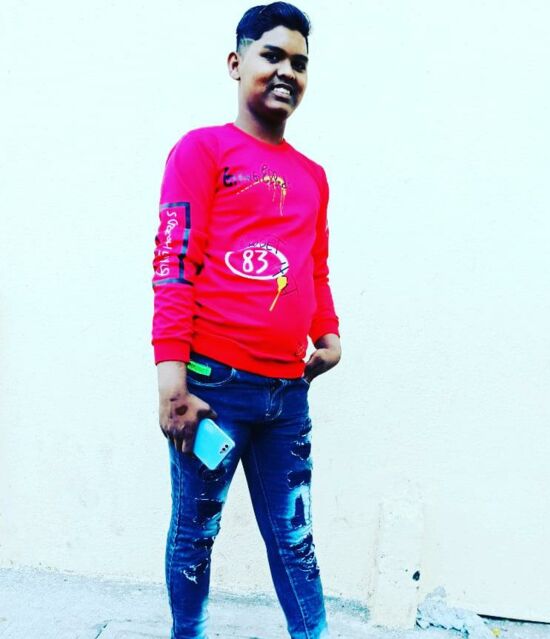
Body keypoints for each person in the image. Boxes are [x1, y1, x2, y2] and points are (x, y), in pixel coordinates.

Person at [150, 3, 341, 638]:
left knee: (295, 537)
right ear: (236, 63)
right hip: (214, 390)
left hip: (287, 395)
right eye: (272, 55)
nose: (287, 71)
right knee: (195, 533)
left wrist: (328, 333)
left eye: (300, 63)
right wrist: (172, 383)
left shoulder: (312, 176)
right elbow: (174, 263)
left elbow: (313, 267)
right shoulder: (202, 151)